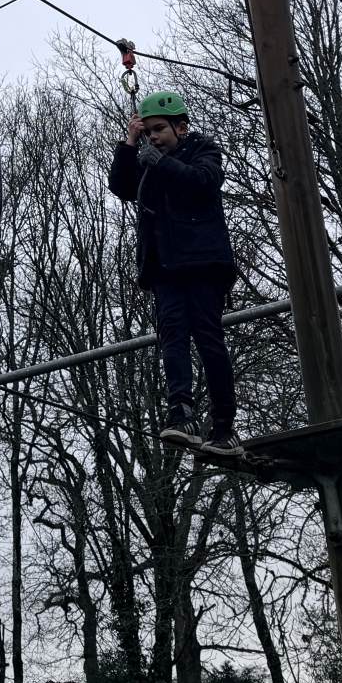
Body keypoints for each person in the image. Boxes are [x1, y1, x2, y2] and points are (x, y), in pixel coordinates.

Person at [108, 89, 243, 456]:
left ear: (180, 128)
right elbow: (122, 186)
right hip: (165, 268)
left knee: (208, 338)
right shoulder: (149, 164)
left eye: (159, 130)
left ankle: (224, 425)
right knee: (173, 337)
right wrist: (129, 143)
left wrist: (160, 163)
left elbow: (204, 181)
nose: (153, 137)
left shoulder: (203, 151)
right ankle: (181, 412)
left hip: (202, 265)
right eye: (149, 131)